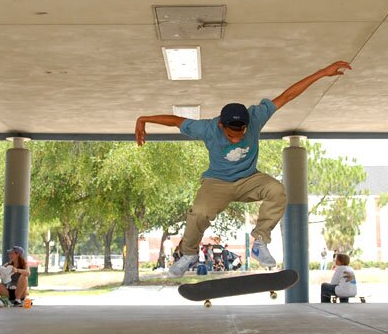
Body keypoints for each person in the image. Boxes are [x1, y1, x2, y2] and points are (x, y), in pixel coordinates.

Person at [135, 61, 352, 277]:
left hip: (249, 179)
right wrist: (143, 119)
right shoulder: (208, 128)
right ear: (221, 125)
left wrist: (323, 73)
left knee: (276, 190)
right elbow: (175, 121)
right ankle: (189, 254)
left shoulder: (256, 116)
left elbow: (287, 96)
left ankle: (260, 241)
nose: (236, 139)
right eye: (231, 136)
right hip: (217, 182)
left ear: (248, 124)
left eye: (241, 134)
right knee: (199, 213)